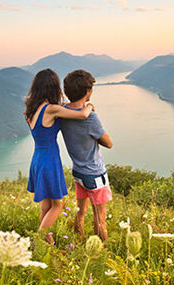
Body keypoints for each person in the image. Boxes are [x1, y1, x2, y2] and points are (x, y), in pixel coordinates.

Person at [24, 69, 94, 244]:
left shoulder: (33, 110)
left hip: (37, 159)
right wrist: (90, 106)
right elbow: (82, 115)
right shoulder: (50, 109)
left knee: (46, 205)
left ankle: (48, 244)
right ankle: (38, 241)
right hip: (49, 161)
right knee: (58, 204)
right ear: (52, 87)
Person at [59, 70, 113, 241]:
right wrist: (90, 109)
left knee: (80, 212)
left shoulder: (62, 112)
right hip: (94, 174)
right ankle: (102, 252)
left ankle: (79, 241)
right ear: (87, 91)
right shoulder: (90, 119)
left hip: (78, 172)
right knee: (100, 218)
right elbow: (109, 143)